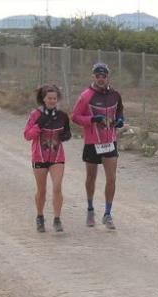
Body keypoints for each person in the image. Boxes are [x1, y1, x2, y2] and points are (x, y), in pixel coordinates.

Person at [71, 63, 124, 230]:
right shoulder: (86, 96)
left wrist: (120, 121)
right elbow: (75, 116)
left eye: (104, 76)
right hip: (92, 142)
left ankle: (108, 214)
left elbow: (120, 112)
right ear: (93, 77)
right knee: (91, 178)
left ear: (108, 77)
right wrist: (91, 120)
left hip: (109, 141)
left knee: (112, 178)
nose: (101, 79)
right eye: (97, 76)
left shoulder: (115, 95)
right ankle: (90, 209)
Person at [23, 85, 72, 233]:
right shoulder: (35, 115)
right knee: (42, 190)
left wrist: (66, 136)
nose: (52, 101)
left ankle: (57, 219)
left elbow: (67, 132)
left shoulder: (62, 116)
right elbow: (27, 135)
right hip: (39, 156)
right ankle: (39, 217)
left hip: (57, 156)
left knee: (57, 188)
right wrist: (38, 126)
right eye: (49, 98)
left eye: (54, 99)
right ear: (43, 99)